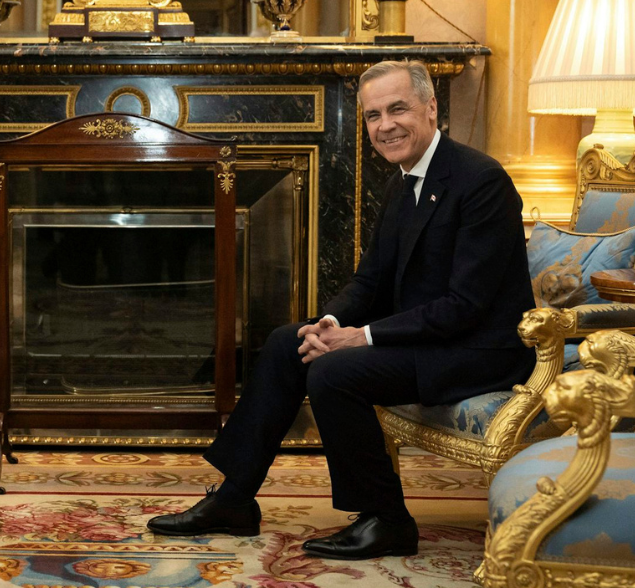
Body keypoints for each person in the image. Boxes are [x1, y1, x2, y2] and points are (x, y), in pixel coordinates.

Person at [147, 60, 536, 560]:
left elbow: (465, 306)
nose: (386, 125)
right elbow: (369, 280)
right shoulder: (401, 182)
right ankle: (234, 499)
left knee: (335, 371)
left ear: (432, 107)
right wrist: (328, 323)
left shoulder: (481, 180)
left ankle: (387, 519)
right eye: (373, 115)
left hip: (479, 348)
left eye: (398, 109)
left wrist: (363, 337)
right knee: (291, 342)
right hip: (430, 339)